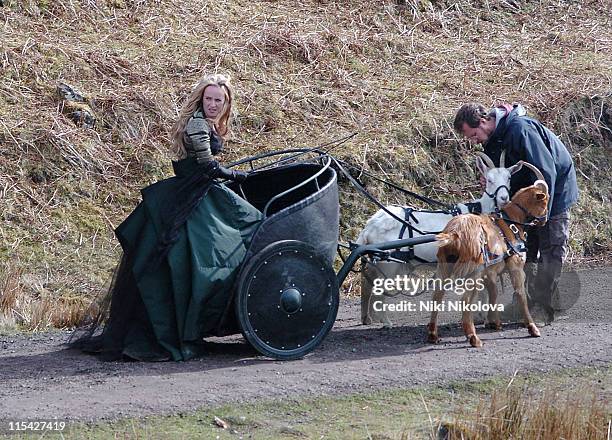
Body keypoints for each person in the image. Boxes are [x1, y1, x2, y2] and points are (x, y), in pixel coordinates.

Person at [70, 74, 262, 360]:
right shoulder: (197, 124)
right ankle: (187, 326)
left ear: (226, 103)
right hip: (191, 195)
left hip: (197, 191)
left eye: (217, 100)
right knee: (236, 233)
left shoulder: (206, 123)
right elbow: (208, 166)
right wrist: (236, 174)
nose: (212, 104)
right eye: (208, 99)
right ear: (201, 99)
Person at [453, 102, 579, 323]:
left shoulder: (521, 129)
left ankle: (543, 308)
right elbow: (504, 174)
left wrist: (543, 212)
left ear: (483, 122)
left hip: (552, 193)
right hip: (523, 198)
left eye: (473, 135)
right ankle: (524, 303)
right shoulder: (493, 140)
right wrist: (490, 180)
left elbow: (545, 170)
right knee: (525, 250)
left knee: (551, 247)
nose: (473, 141)